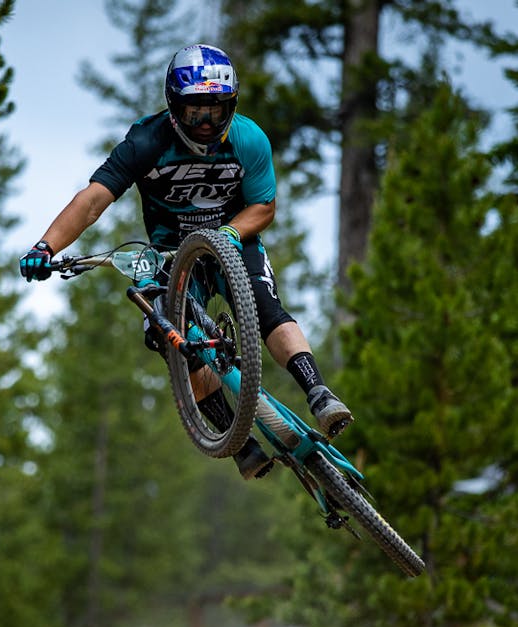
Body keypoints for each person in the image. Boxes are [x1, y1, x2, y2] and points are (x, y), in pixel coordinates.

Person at [19, 43, 352, 479]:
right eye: (196, 113)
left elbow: (264, 208)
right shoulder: (146, 140)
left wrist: (230, 233)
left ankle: (318, 393)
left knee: (265, 307)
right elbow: (93, 200)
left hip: (233, 237)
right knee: (167, 334)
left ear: (231, 106)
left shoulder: (248, 139)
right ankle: (239, 444)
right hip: (167, 252)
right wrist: (47, 247)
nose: (207, 123)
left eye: (216, 110)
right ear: (174, 107)